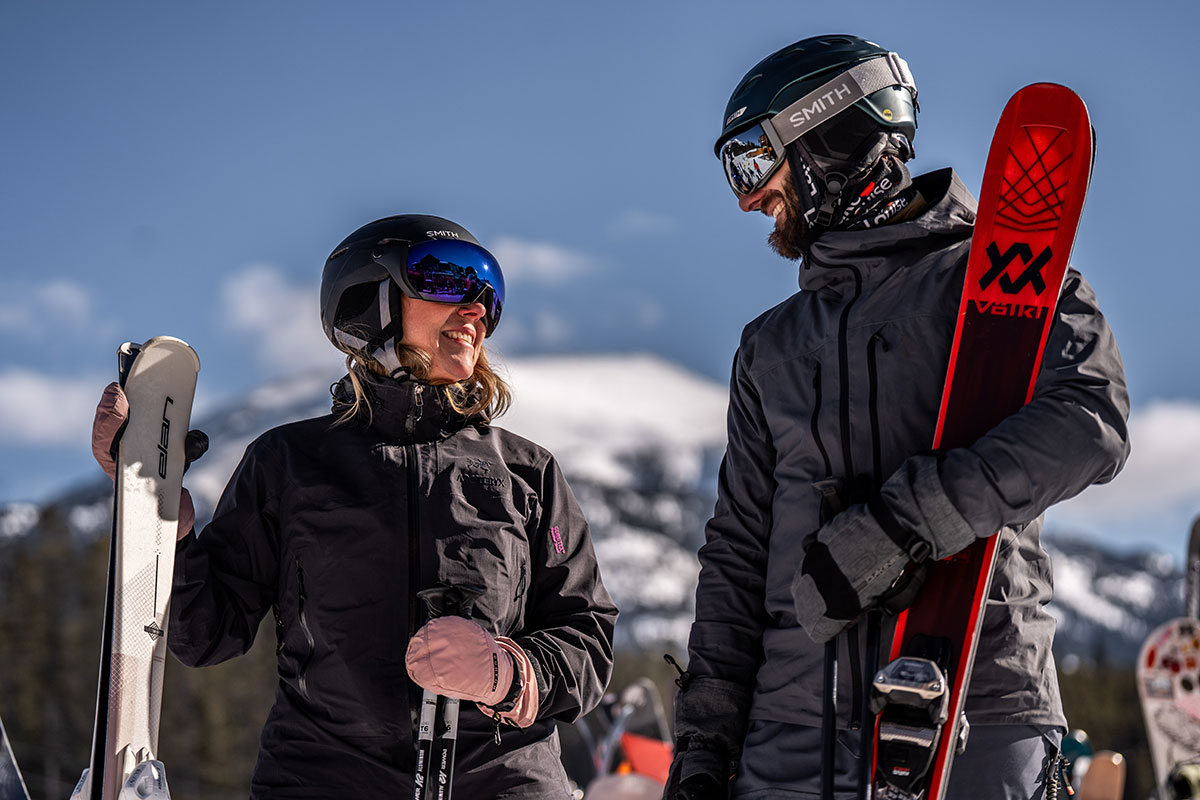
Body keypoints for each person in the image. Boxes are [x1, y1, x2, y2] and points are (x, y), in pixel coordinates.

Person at [664, 35, 1130, 799]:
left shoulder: (1004, 281)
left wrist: (901, 523)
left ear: (831, 136)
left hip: (975, 717)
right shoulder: (770, 348)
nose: (749, 196)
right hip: (788, 742)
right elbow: (739, 557)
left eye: (754, 161)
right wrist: (704, 746)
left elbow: (1091, 420)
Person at [91, 214, 618, 798]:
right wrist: (171, 530)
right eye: (447, 279)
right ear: (369, 303)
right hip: (322, 777)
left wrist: (510, 673)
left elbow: (588, 638)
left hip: (501, 781)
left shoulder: (528, 472)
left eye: (488, 291)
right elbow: (205, 635)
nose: (475, 308)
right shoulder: (288, 462)